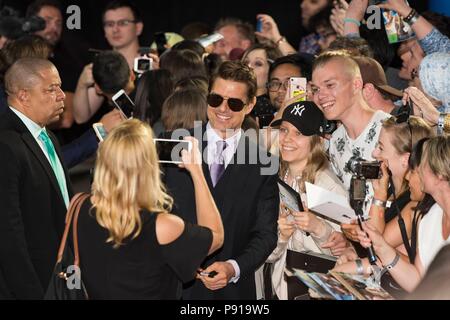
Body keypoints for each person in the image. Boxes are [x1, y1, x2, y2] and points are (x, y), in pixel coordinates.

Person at [163, 61, 279, 299]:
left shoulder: (264, 163)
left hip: (233, 293)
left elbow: (266, 234)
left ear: (250, 106)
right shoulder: (172, 146)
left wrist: (233, 267)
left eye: (234, 103)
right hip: (175, 287)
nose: (223, 109)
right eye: (216, 99)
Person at [77, 119, 223, 299]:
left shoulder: (78, 207)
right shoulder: (162, 226)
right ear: (148, 166)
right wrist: (197, 172)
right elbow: (215, 236)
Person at [0, 58, 72, 299]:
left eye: (60, 87)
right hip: (31, 284)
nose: (62, 95)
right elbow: (8, 232)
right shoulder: (5, 143)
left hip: (60, 273)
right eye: (51, 89)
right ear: (23, 96)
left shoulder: (48, 136)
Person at [262, 101, 348, 300]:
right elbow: (269, 255)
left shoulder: (327, 186)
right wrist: (281, 236)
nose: (287, 139)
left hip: (318, 290)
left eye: (298, 133)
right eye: (284, 130)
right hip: (282, 288)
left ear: (316, 140)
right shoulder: (278, 176)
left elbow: (345, 255)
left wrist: (318, 228)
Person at [357, 135, 450, 293]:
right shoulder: (431, 217)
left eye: (423, 164)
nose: (415, 169)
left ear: (440, 174)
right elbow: (418, 281)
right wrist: (381, 247)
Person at [310, 50, 391, 191]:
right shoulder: (336, 140)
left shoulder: (389, 129)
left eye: (330, 85)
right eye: (316, 89)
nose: (320, 96)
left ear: (356, 85)